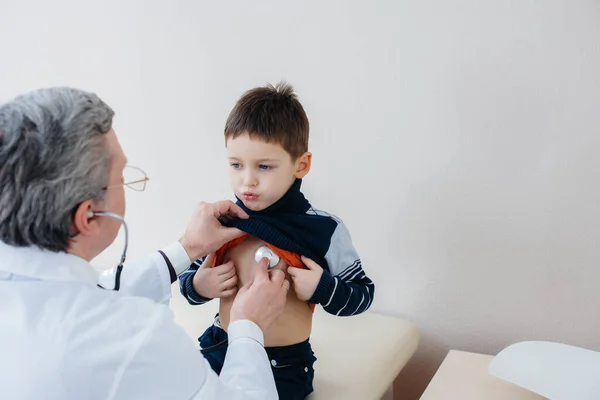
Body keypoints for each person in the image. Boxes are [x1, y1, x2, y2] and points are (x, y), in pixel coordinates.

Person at [0, 87, 290, 400]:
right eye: (122, 177)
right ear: (88, 215)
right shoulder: (134, 338)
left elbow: (96, 291)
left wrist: (187, 248)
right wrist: (248, 326)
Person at [179, 82, 376, 399]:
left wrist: (323, 288)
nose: (248, 180)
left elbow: (362, 295)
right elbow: (187, 284)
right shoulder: (224, 221)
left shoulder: (323, 230)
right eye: (236, 165)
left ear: (302, 165)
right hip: (220, 349)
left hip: (283, 368)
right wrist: (199, 286)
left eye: (264, 166)